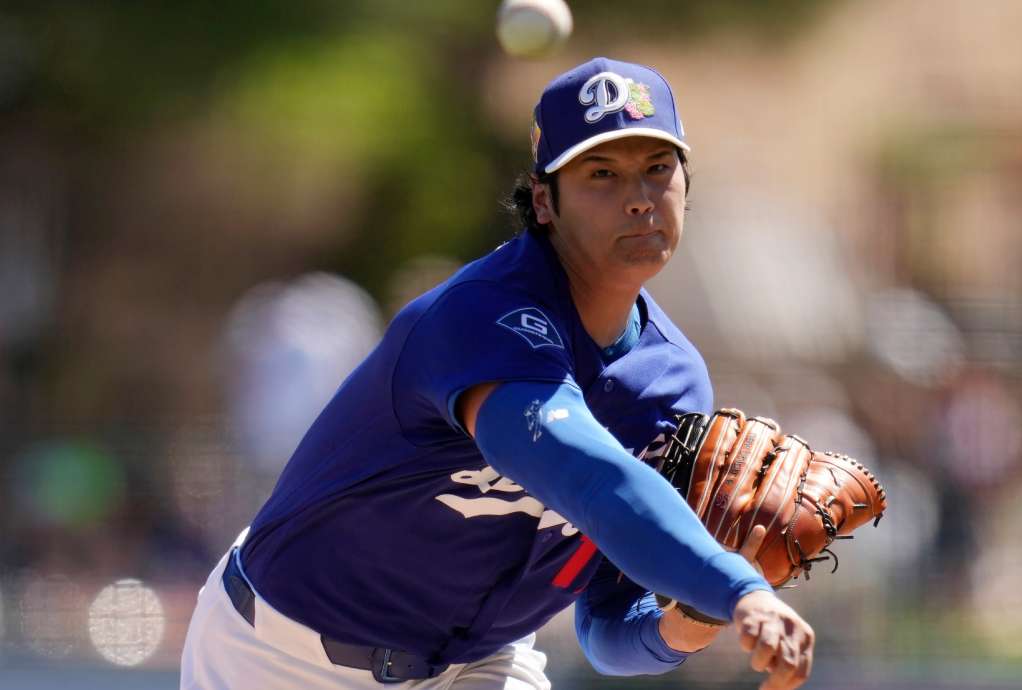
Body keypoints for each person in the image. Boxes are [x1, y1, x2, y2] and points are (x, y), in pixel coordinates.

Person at [180, 56, 814, 690]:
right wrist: (736, 586)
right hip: (284, 656)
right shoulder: (483, 316)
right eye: (602, 174)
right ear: (544, 202)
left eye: (657, 170)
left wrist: (697, 615)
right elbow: (586, 474)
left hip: (481, 664)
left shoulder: (671, 383)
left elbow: (609, 634)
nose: (638, 201)